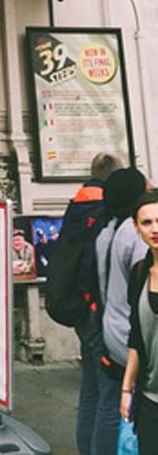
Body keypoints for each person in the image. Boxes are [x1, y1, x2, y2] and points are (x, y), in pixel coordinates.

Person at [61, 152, 123, 455]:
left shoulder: (77, 204)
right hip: (99, 311)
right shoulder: (105, 213)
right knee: (110, 397)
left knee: (90, 392)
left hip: (82, 311)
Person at [88, 167, 149, 454]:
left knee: (108, 404)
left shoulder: (108, 230)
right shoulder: (135, 236)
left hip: (111, 325)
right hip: (132, 333)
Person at [121, 189, 158, 452]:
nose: (155, 229)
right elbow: (136, 336)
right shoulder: (139, 274)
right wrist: (126, 390)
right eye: (146, 222)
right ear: (136, 227)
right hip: (150, 398)